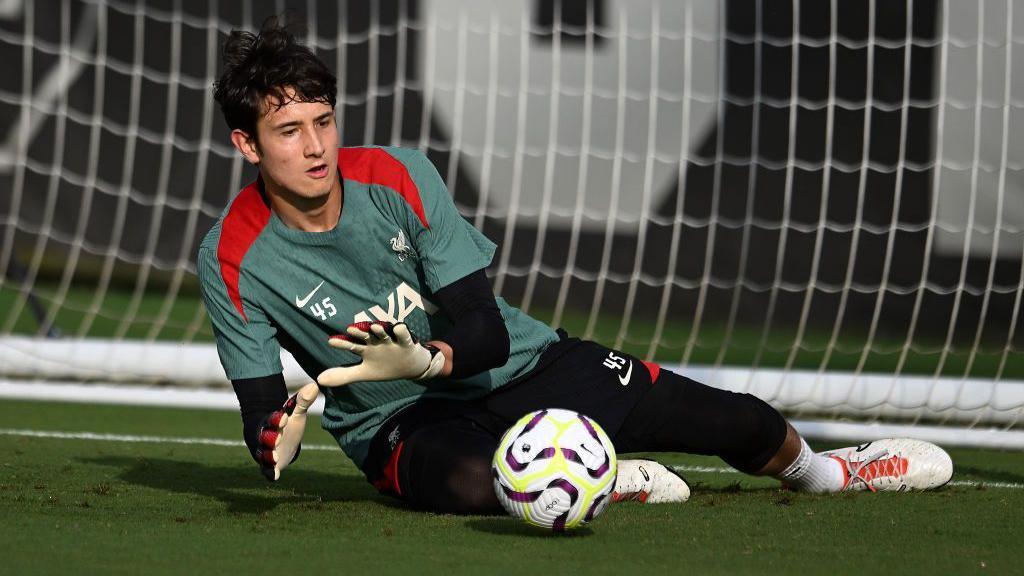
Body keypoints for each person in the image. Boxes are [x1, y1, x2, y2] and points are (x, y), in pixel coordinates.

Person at [197, 18, 952, 514]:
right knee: (474, 483)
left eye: (323, 120)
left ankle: (835, 473)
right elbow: (260, 408)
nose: (317, 146)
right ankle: (599, 475)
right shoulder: (231, 257)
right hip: (400, 424)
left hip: (520, 365)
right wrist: (274, 437)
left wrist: (426, 358)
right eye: (289, 130)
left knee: (739, 420)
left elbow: (486, 330)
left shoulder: (397, 177)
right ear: (247, 145)